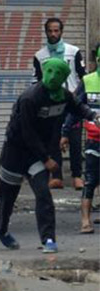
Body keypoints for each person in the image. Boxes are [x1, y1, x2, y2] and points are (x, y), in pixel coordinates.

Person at [0, 58, 100, 254]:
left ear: (64, 78)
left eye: (58, 74)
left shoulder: (63, 96)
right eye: (50, 72)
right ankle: (1, 228)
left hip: (36, 156)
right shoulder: (30, 98)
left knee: (43, 194)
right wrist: (47, 158)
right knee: (8, 198)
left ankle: (48, 239)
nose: (53, 77)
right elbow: (27, 133)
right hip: (15, 152)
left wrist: (94, 116)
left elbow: (78, 107)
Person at [33, 17, 86, 190]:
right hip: (51, 104)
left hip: (71, 102)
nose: (53, 34)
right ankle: (56, 177)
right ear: (46, 32)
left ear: (61, 31)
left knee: (75, 139)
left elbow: (83, 77)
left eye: (56, 30)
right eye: (50, 30)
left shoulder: (73, 51)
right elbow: (37, 82)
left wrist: (77, 95)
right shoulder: (40, 56)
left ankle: (77, 175)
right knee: (53, 139)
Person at [62, 43, 100, 233]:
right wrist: (65, 132)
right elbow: (75, 108)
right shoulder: (88, 81)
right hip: (94, 139)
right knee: (90, 179)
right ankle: (85, 221)